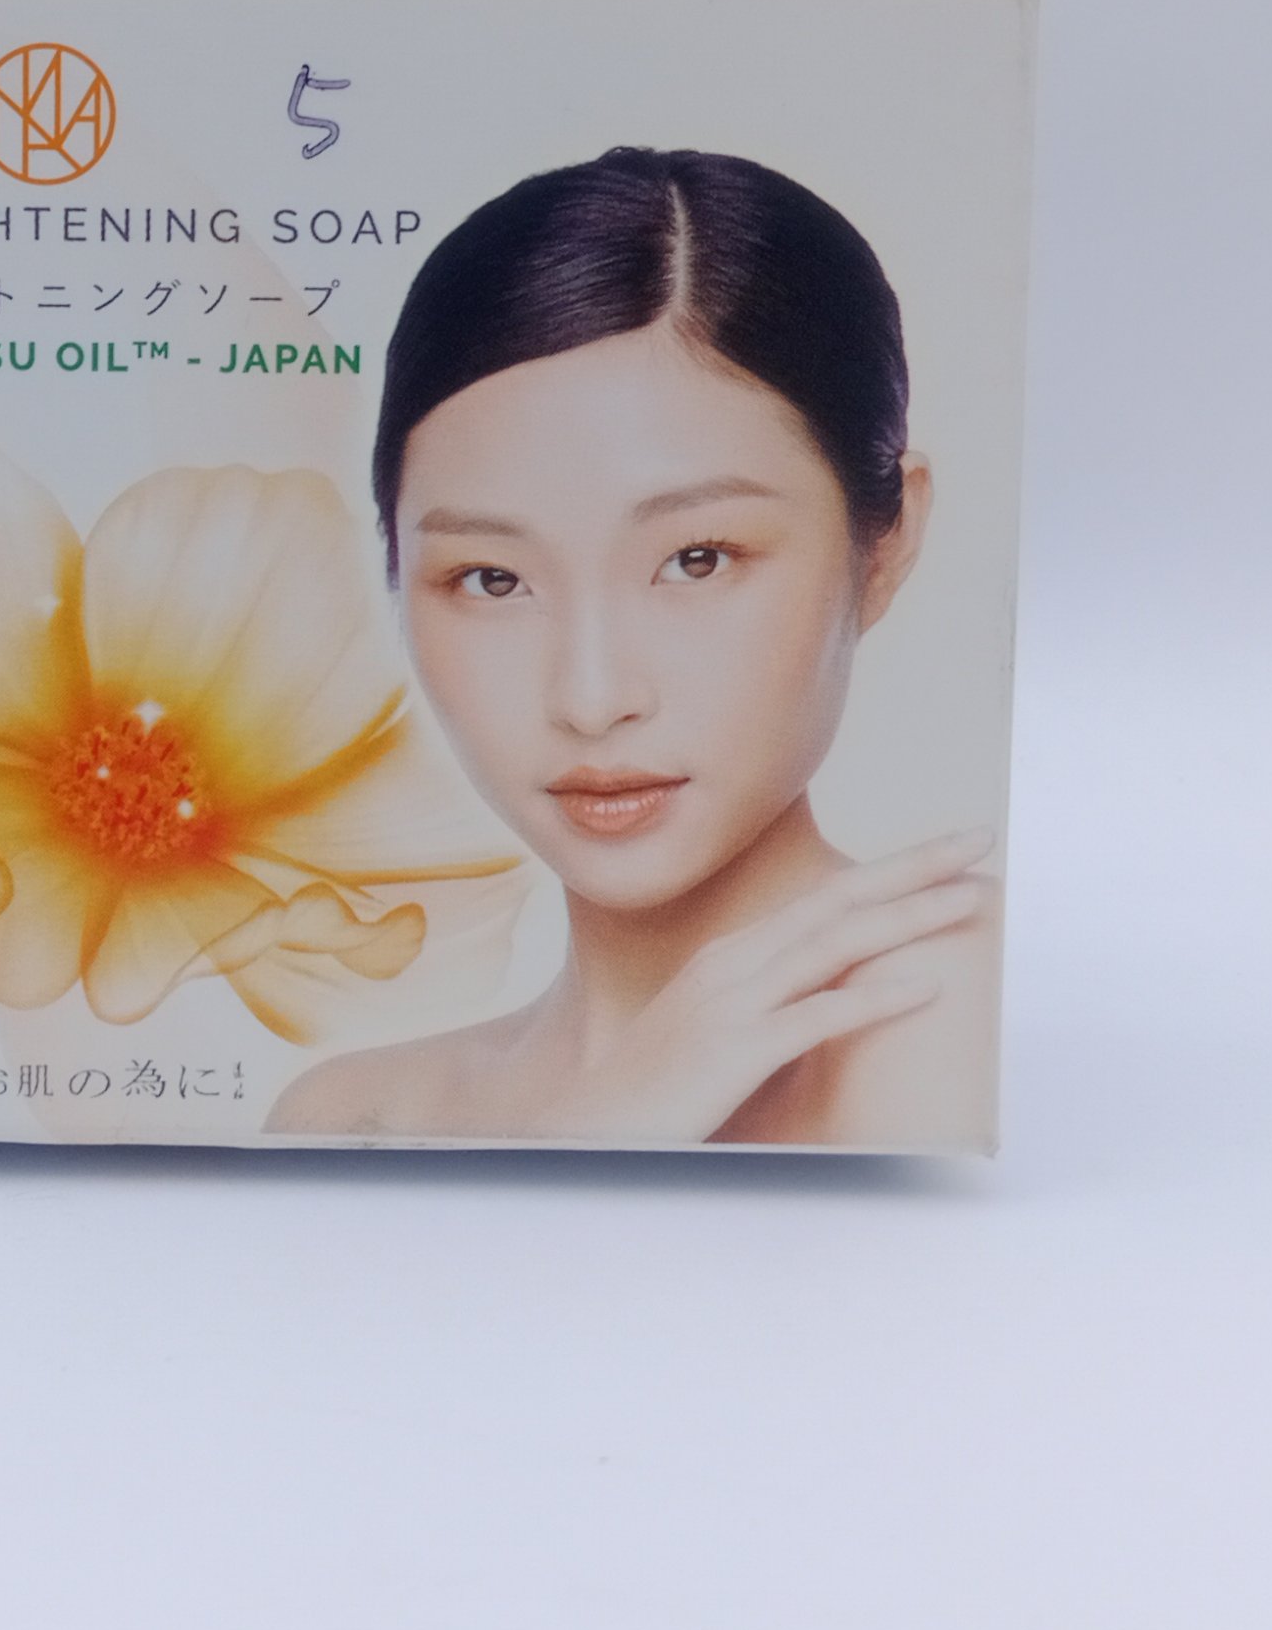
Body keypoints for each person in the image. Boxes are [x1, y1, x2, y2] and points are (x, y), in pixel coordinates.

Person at [267, 146, 996, 1147]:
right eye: (492, 579)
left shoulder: (947, 995)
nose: (591, 697)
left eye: (698, 560)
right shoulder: (351, 1113)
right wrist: (609, 1121)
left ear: (887, 541)